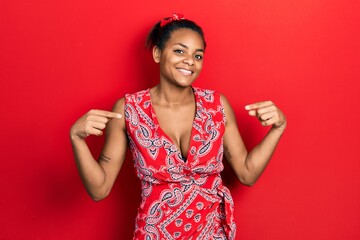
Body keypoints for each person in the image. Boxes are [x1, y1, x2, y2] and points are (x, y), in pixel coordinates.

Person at [70, 13, 286, 240]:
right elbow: (99, 189)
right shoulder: (128, 110)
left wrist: (278, 128)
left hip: (212, 234)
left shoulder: (216, 106)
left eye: (198, 55)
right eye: (179, 51)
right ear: (157, 53)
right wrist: (77, 139)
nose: (190, 61)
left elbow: (247, 173)